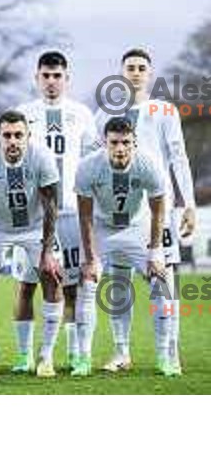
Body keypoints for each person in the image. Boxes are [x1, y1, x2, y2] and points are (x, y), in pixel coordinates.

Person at [93, 49, 196, 374]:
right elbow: (96, 163)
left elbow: (178, 157)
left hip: (157, 210)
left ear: (149, 73)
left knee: (164, 281)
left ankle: (168, 354)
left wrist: (188, 203)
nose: (135, 73)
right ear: (121, 73)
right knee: (118, 283)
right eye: (130, 68)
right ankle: (121, 352)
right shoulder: (103, 115)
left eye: (141, 68)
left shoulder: (163, 109)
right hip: (118, 214)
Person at [74, 117, 172, 376]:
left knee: (161, 283)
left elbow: (158, 211)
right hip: (103, 228)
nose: (120, 148)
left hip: (137, 227)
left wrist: (155, 252)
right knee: (88, 283)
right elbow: (84, 216)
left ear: (134, 142)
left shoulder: (148, 164)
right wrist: (91, 256)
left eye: (126, 142)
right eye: (114, 142)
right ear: (104, 143)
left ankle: (165, 357)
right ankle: (87, 359)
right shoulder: (88, 166)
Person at [17, 51, 96, 371]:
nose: (51, 81)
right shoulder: (23, 114)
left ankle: (77, 354)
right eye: (46, 76)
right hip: (34, 218)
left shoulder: (81, 114)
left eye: (57, 76)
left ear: (67, 79)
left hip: (71, 215)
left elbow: (91, 163)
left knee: (73, 286)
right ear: (36, 78)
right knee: (27, 285)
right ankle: (24, 356)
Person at [0, 110, 63, 378]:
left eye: (18, 135)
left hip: (35, 226)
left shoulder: (42, 157)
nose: (13, 141)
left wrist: (47, 253)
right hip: (0, 225)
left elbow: (51, 207)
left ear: (28, 137)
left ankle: (45, 357)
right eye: (7, 136)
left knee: (52, 276)